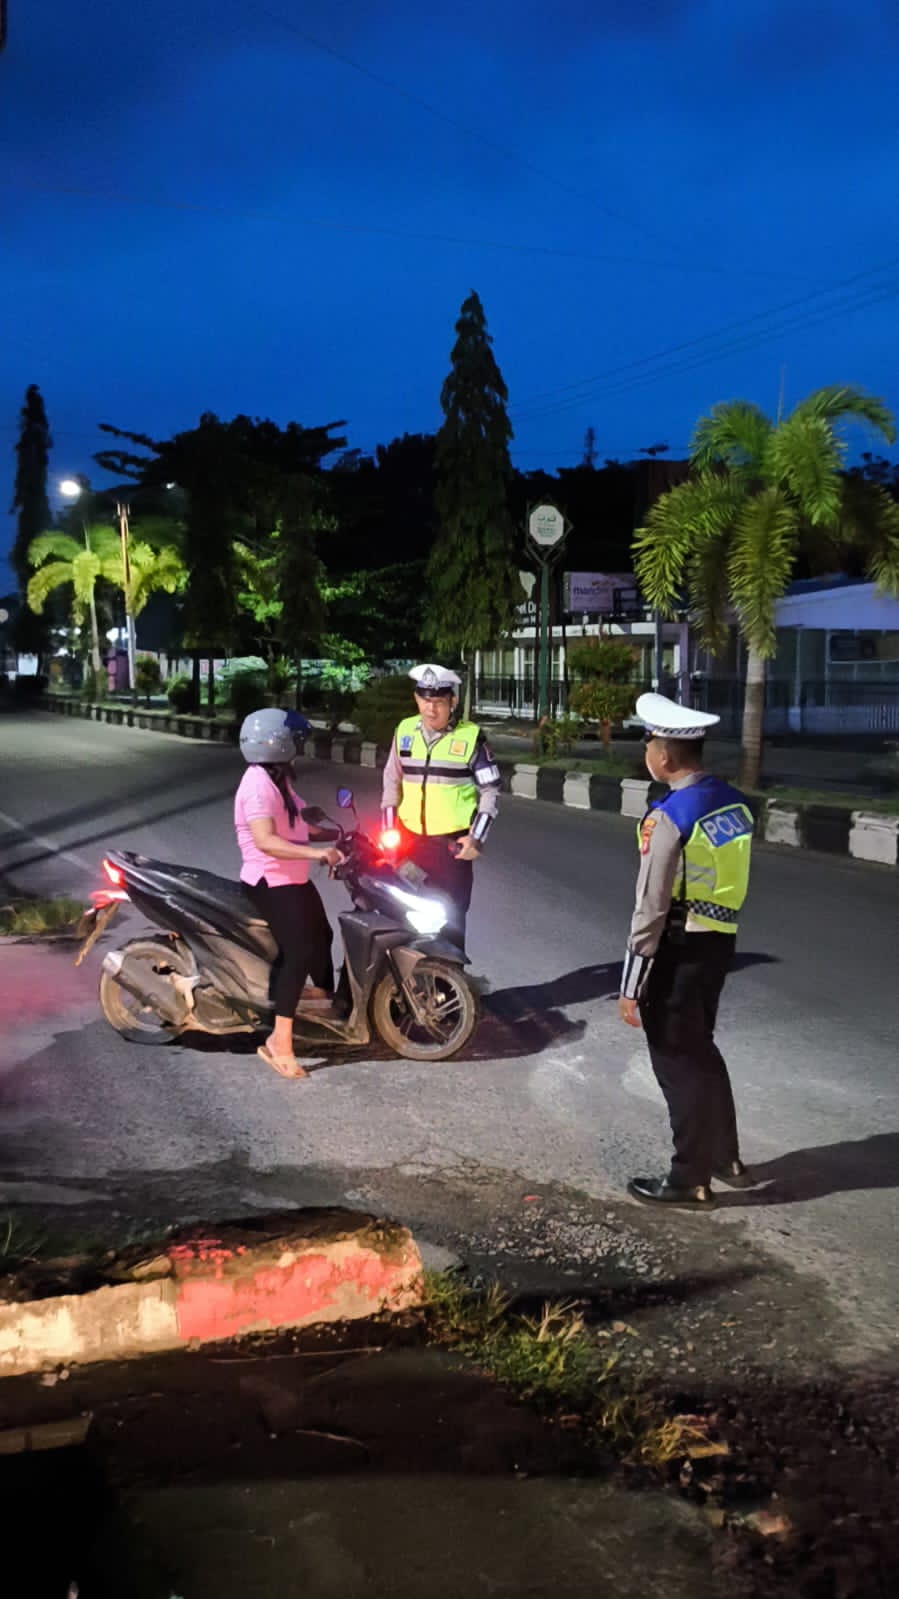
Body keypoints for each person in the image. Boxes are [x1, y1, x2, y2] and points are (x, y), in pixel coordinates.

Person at [618, 692, 758, 1210]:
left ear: (666, 756)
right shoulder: (733, 802)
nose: (647, 753)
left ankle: (688, 1178)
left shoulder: (671, 816)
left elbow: (651, 907)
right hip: (719, 942)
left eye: (649, 744)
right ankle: (725, 1158)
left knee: (677, 1062)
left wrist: (631, 984)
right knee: (701, 1051)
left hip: (676, 949)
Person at [234, 707, 343, 1080]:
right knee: (298, 953)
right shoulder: (257, 786)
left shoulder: (277, 778)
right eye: (295, 740)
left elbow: (299, 824)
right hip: (270, 882)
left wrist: (341, 835)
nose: (299, 746)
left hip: (292, 879)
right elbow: (266, 840)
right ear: (277, 743)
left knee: (323, 935)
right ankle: (279, 1042)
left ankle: (325, 1006)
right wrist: (318, 854)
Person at [380, 664, 501, 952]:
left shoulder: (470, 738)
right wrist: (388, 832)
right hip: (409, 844)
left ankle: (449, 979)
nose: (431, 709)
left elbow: (491, 789)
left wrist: (476, 838)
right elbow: (391, 782)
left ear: (452, 702)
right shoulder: (405, 731)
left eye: (438, 702)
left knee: (450, 922)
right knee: (403, 916)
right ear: (416, 699)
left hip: (450, 850)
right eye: (425, 700)